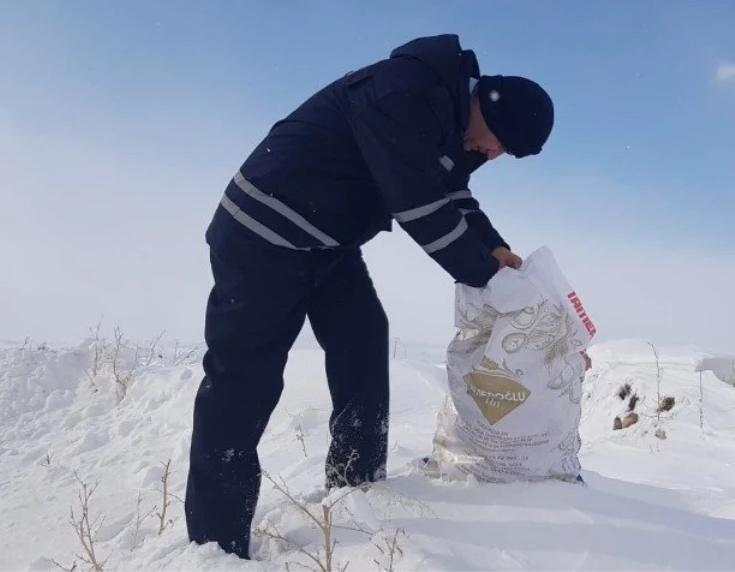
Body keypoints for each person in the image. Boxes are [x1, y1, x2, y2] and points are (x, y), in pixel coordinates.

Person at [183, 33, 554, 559]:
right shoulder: (402, 95)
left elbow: (453, 194)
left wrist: (497, 250)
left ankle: (357, 486)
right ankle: (214, 547)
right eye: (498, 141)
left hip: (326, 242)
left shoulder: (452, 122)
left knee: (362, 342)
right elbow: (419, 206)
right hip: (261, 232)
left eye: (502, 154)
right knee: (243, 382)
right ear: (483, 102)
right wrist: (486, 277)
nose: (491, 154)